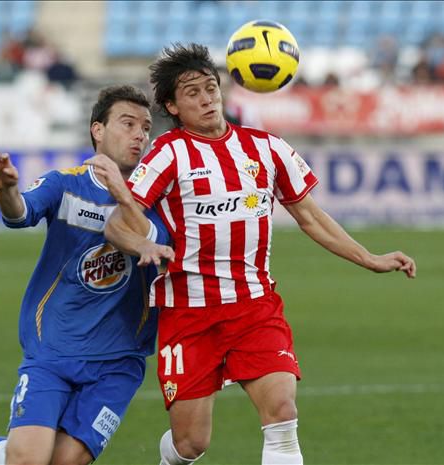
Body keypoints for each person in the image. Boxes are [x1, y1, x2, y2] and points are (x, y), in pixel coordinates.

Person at [100, 44, 417, 465]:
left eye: (211, 88)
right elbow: (119, 221)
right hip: (188, 313)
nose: (206, 98)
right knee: (191, 443)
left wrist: (370, 258)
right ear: (173, 106)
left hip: (254, 307)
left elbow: (310, 216)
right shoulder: (168, 153)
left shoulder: (266, 148)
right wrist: (140, 244)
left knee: (282, 414)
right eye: (192, 92)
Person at [0, 85, 174, 465]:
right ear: (98, 129)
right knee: (28, 460)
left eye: (145, 128)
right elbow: (19, 214)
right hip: (53, 348)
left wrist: (124, 196)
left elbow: (150, 243)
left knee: (62, 462)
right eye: (128, 124)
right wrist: (7, 190)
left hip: (119, 361)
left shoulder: (160, 198)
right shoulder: (65, 184)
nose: (140, 135)